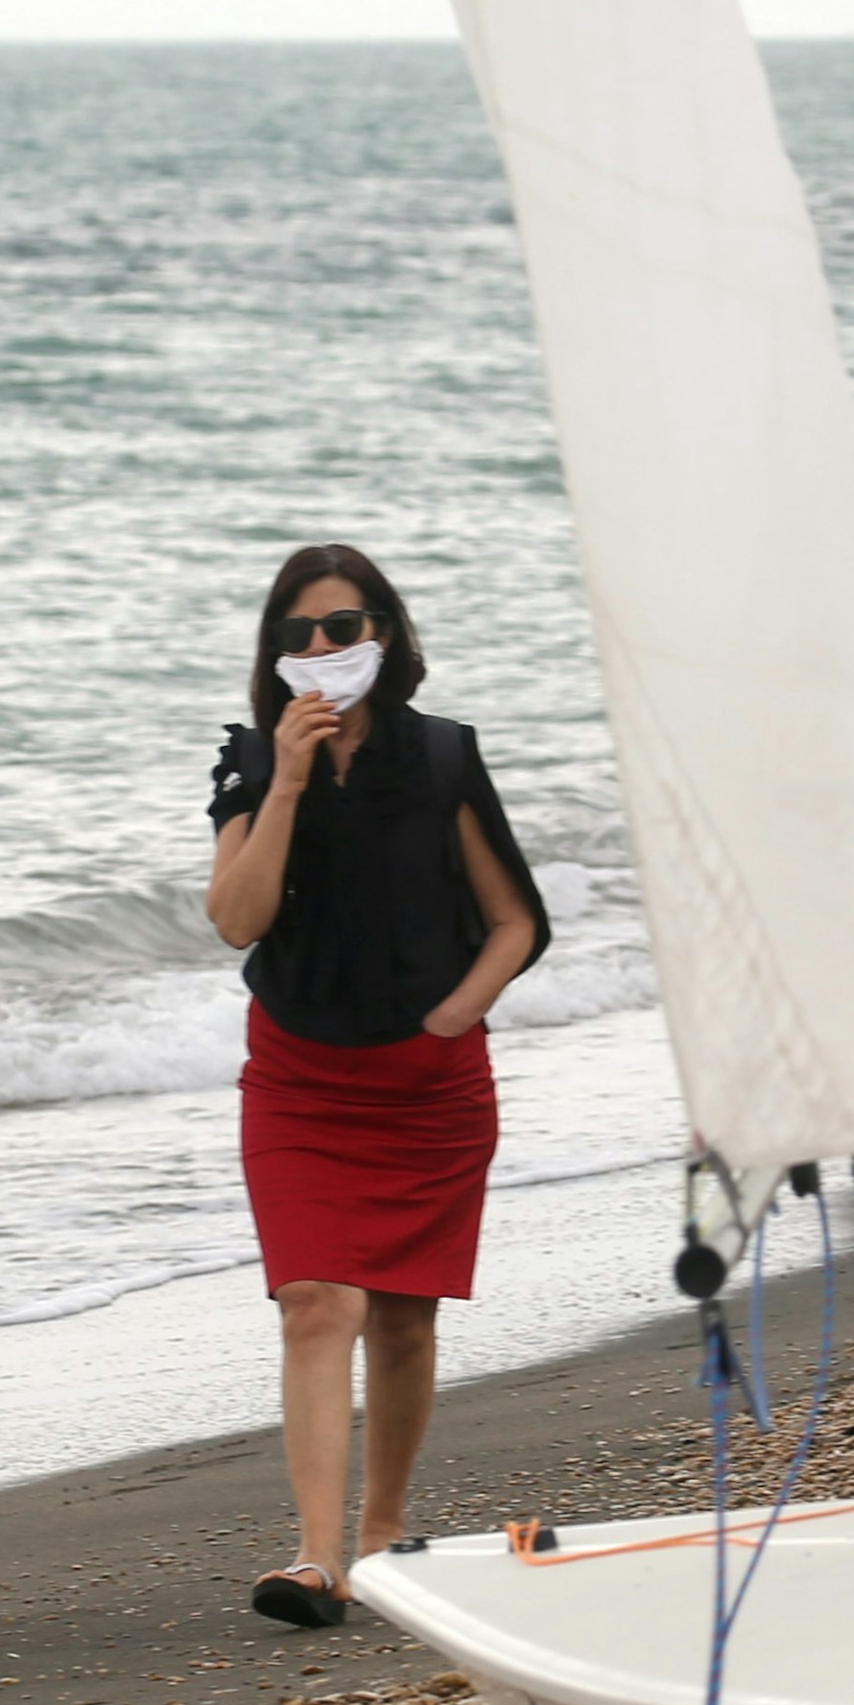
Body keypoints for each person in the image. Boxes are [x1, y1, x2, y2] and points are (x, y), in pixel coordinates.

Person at [206, 545, 547, 1628]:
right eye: (296, 635)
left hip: (429, 1086)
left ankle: (385, 1536)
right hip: (299, 1078)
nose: (318, 650)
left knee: (401, 1318)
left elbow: (516, 920)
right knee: (317, 1301)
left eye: (341, 629)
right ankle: (316, 1557)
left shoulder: (442, 758)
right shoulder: (250, 765)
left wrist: (451, 1016)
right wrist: (291, 780)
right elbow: (236, 919)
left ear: (384, 638)